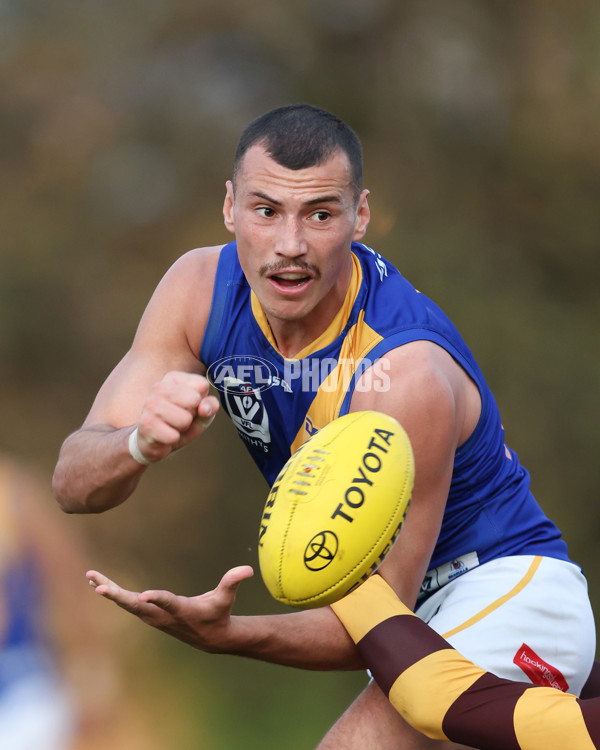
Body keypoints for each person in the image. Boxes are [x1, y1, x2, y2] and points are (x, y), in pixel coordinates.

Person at [53, 103, 596, 749]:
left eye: (319, 214)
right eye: (265, 211)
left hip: (503, 592)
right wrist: (138, 442)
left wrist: (228, 634)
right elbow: (73, 484)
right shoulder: (199, 289)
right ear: (230, 208)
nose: (290, 245)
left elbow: (373, 621)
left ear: (359, 217)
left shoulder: (402, 372)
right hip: (412, 624)